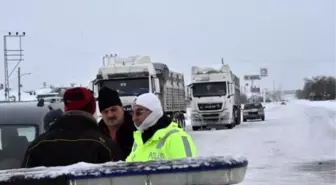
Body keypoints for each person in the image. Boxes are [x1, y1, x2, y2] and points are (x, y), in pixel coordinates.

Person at [21, 87, 123, 168]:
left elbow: (22, 180)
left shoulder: (37, 145)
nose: (110, 115)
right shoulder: (105, 146)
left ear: (66, 108)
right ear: (92, 109)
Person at [126, 93, 197, 162]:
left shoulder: (177, 138)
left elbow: (188, 172)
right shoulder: (139, 138)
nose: (134, 118)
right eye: (132, 113)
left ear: (154, 111)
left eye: (139, 112)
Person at [98, 87, 136, 160]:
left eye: (113, 110)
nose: (110, 115)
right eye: (105, 111)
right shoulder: (98, 133)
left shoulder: (135, 128)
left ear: (122, 108)